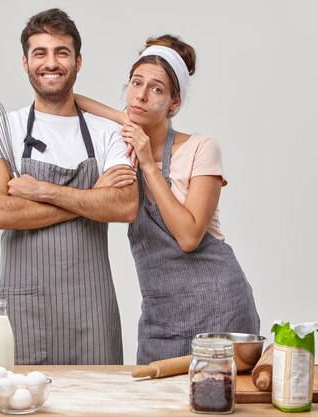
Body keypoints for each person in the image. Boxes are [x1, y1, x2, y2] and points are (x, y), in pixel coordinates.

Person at [76, 34, 260, 364]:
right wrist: (123, 120)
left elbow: (189, 236)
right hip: (160, 319)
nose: (141, 96)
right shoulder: (122, 146)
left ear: (174, 103)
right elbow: (71, 99)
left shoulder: (200, 148)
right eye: (136, 83)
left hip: (219, 310)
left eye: (156, 89)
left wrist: (147, 162)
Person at [0, 8, 138, 365]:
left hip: (91, 308)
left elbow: (125, 206)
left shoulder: (106, 131)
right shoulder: (3, 128)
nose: (51, 63)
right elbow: (0, 212)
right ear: (25, 62)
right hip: (25, 309)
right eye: (40, 53)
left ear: (78, 61)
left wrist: (41, 191)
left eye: (61, 52)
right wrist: (93, 196)